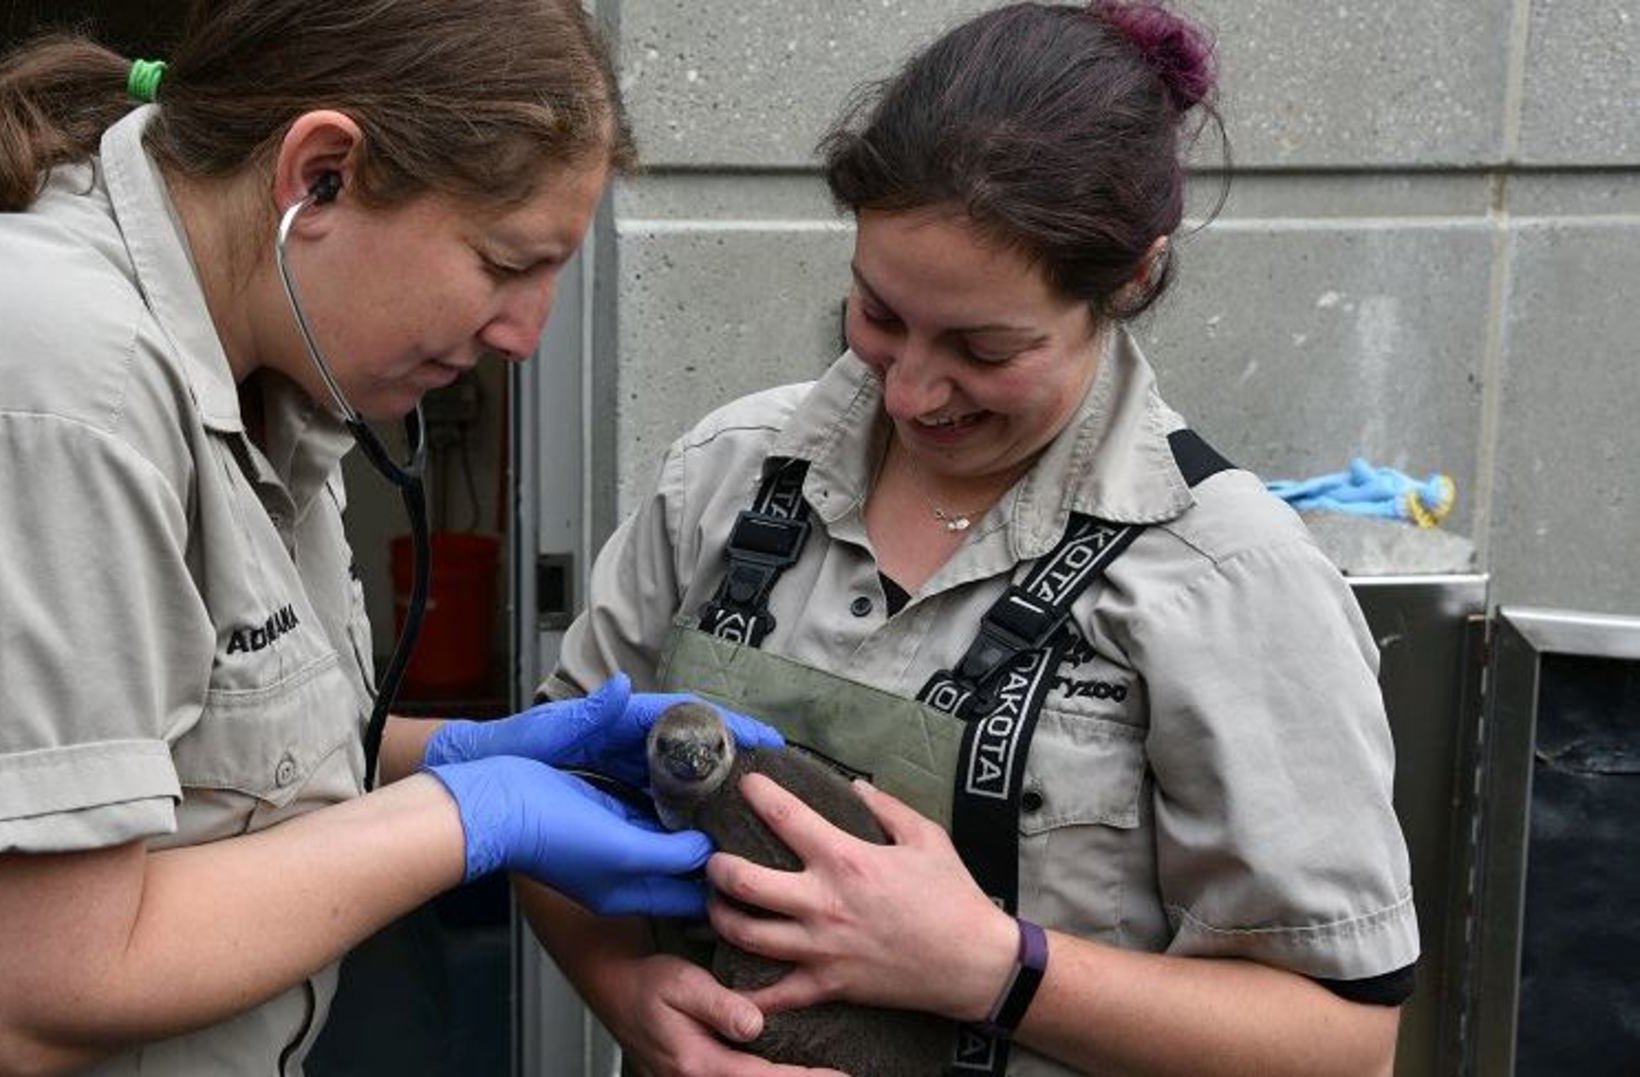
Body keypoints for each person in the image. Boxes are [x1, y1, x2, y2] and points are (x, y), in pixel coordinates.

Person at [0, 2, 782, 1074]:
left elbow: (183, 759)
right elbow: (31, 993)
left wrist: (448, 754)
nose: (525, 333)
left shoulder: (255, 355)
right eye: (506, 263)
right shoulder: (28, 390)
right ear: (319, 172)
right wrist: (473, 813)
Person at [525, 3, 1420, 1075]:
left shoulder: (1231, 578)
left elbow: (1344, 1041)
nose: (910, 390)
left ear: (1131, 277)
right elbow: (554, 792)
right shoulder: (724, 474)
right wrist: (633, 999)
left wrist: (993, 966)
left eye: (985, 348)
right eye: (878, 314)